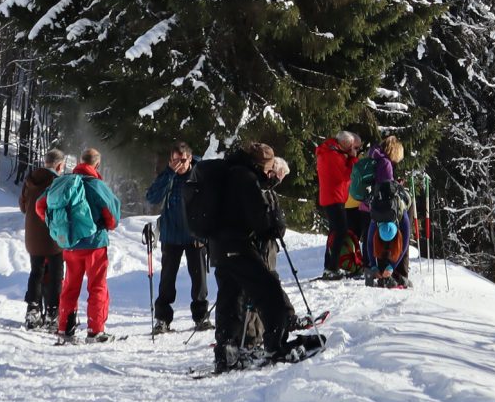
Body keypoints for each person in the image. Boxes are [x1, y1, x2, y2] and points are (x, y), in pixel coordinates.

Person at [192, 141, 322, 372]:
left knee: (230, 295)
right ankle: (276, 344)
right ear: (261, 164)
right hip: (237, 245)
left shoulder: (229, 172)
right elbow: (260, 221)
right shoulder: (245, 178)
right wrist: (273, 221)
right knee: (268, 288)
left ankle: (227, 350)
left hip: (218, 247)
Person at [35, 146, 121, 342]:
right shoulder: (97, 185)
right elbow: (113, 219)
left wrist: (55, 226)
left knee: (70, 286)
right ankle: (95, 330)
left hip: (70, 244)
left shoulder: (63, 182)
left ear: (80, 161)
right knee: (97, 286)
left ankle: (64, 329)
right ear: (97, 164)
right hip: (95, 244)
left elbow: (40, 205)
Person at [143, 142, 211, 334]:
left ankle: (201, 317)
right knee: (167, 279)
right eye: (174, 160)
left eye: (182, 160)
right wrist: (169, 174)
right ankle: (162, 319)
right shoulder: (168, 176)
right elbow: (152, 197)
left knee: (199, 281)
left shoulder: (200, 175)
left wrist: (205, 233)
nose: (178, 164)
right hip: (171, 235)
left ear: (189, 158)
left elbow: (209, 205)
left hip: (195, 236)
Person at [354, 134, 410, 288]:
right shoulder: (385, 163)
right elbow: (386, 188)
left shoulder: (376, 157)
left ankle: (372, 272)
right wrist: (392, 266)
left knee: (370, 238)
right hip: (380, 206)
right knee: (381, 242)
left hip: (370, 205)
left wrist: (372, 265)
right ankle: (384, 274)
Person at [18, 150, 66, 328]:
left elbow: (23, 206)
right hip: (53, 236)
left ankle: (33, 310)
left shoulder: (30, 180)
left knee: (36, 272)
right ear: (59, 165)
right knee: (55, 274)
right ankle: (53, 312)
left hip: (32, 236)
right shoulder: (58, 183)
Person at [312, 129, 360, 277]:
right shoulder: (333, 155)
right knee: (340, 231)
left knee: (335, 232)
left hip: (332, 197)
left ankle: (330, 266)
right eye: (352, 147)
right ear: (346, 144)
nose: (353, 150)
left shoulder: (330, 151)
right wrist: (353, 159)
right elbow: (346, 176)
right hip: (334, 198)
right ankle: (332, 267)